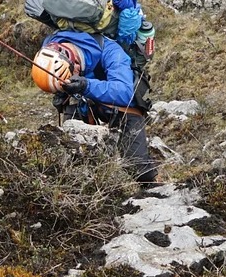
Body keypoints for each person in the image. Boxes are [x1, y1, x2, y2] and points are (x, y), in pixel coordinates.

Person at [31, 30, 159, 185]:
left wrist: (86, 85)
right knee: (71, 165)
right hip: (81, 102)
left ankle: (147, 180)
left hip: (118, 105)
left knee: (139, 170)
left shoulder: (112, 51)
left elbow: (124, 92)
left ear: (76, 65)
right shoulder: (49, 48)